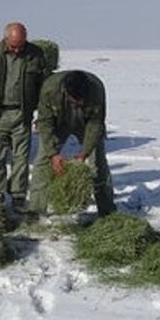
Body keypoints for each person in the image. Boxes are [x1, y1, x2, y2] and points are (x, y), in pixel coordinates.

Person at [0, 22, 51, 211]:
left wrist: (42, 116)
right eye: (14, 46)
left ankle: (18, 196)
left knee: (21, 157)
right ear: (6, 39)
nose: (17, 50)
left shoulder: (36, 54)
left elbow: (45, 88)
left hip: (21, 114)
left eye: (21, 46)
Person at [27, 70, 116, 216]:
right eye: (75, 101)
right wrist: (53, 154)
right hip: (58, 122)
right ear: (65, 93)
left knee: (98, 163)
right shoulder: (50, 89)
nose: (79, 103)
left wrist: (84, 153)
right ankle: (35, 210)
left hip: (86, 124)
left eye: (82, 101)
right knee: (42, 161)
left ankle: (107, 210)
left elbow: (95, 124)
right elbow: (45, 122)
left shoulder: (96, 89)